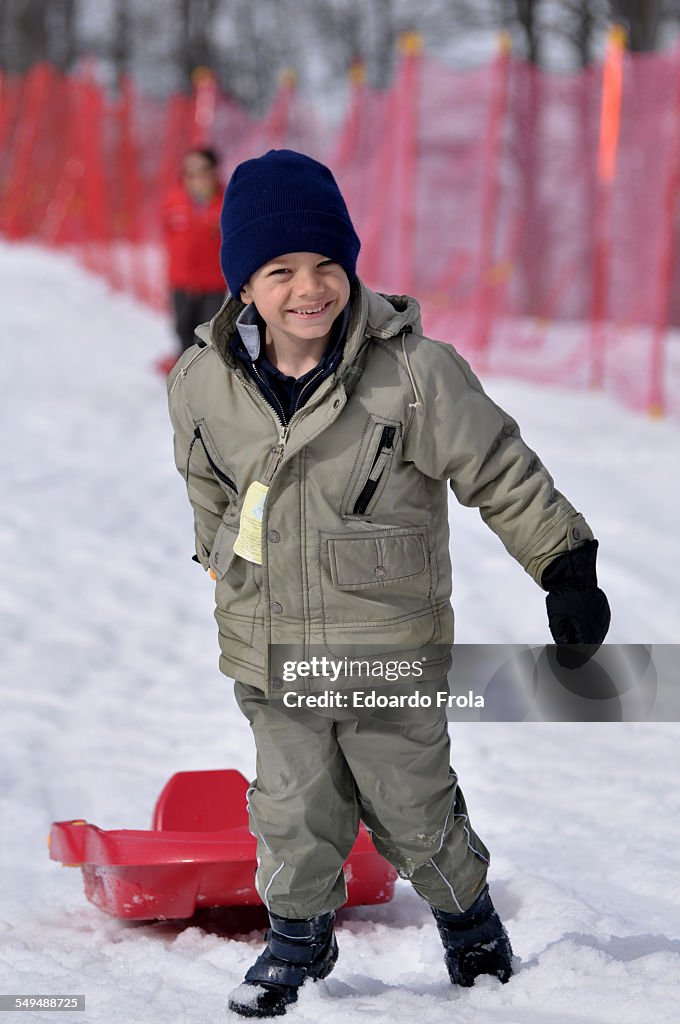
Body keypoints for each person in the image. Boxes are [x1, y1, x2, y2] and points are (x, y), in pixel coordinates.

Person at [166, 150, 610, 1018]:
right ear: (243, 286)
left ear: (351, 267)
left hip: (387, 645)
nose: (309, 288)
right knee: (290, 810)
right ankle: (297, 937)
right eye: (280, 270)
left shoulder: (411, 375)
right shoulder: (200, 384)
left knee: (414, 812)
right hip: (272, 645)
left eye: (327, 264)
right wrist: (218, 555)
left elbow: (502, 469)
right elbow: (207, 482)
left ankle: (468, 920)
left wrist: (565, 565)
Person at [158, 147, 226, 373]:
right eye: (189, 172)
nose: (195, 178)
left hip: (213, 284)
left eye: (202, 170)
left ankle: (204, 374)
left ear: (214, 172)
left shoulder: (226, 203)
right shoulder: (174, 200)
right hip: (181, 282)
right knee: (182, 329)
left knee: (207, 333)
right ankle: (183, 370)